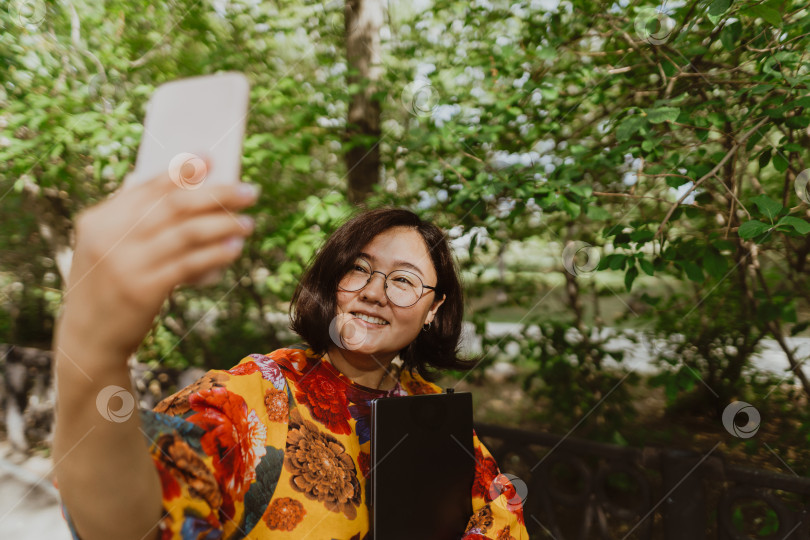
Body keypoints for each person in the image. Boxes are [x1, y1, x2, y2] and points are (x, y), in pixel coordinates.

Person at [52, 168, 529, 540]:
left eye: (403, 280)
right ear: (333, 281)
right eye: (359, 269)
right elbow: (134, 518)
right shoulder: (257, 395)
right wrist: (94, 358)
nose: (374, 293)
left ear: (433, 309)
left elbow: (499, 515)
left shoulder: (435, 414)